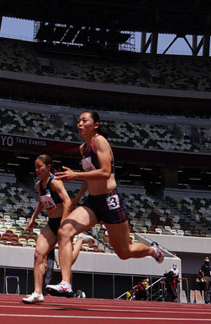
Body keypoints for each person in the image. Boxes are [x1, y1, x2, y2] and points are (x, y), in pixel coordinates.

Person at [46, 111, 163, 297]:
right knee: (64, 231)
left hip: (110, 200)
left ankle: (152, 250)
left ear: (96, 125)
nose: (80, 124)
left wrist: (75, 175)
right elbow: (90, 176)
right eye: (78, 121)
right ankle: (66, 283)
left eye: (84, 120)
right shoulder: (82, 148)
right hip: (93, 202)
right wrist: (77, 198)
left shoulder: (100, 141)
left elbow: (105, 172)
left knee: (124, 252)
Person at [22, 154, 90, 304]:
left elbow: (67, 202)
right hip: (52, 222)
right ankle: (38, 293)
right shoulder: (39, 185)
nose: (37, 170)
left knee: (65, 261)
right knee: (38, 254)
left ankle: (80, 241)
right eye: (36, 167)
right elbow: (42, 202)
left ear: (48, 167)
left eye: (40, 167)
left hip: (63, 221)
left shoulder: (55, 182)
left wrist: (64, 223)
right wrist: (33, 217)